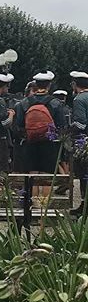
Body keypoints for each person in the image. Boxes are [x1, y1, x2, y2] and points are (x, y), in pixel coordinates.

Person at [14, 71, 66, 196]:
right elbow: (61, 125)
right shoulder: (55, 103)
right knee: (47, 175)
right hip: (49, 144)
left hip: (30, 143)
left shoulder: (24, 103)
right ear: (49, 85)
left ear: (36, 85)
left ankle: (33, 205)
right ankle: (44, 207)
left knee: (32, 174)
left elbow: (19, 124)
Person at [70, 71, 88, 215]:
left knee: (83, 173)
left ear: (75, 84)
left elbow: (80, 124)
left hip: (84, 142)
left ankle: (85, 204)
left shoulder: (79, 99)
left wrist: (69, 130)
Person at [12, 81, 36, 173]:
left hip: (23, 142)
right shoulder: (20, 105)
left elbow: (16, 128)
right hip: (26, 142)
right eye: (34, 91)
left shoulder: (19, 105)